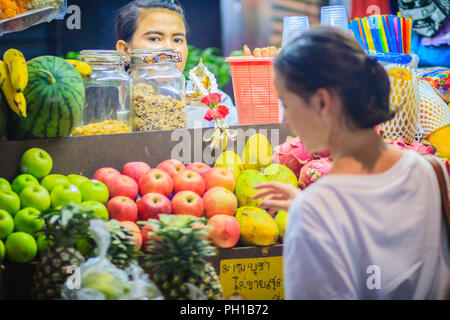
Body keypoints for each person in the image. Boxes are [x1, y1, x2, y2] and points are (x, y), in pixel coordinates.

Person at [254, 27, 450, 300]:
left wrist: (310, 210)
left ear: (322, 102)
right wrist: (309, 205)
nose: (285, 121)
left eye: (287, 103)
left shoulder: (314, 212)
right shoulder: (428, 170)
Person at [115, 0, 239, 128]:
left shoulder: (213, 101)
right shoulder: (108, 100)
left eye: (177, 40)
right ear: (125, 50)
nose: (169, 49)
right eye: (154, 38)